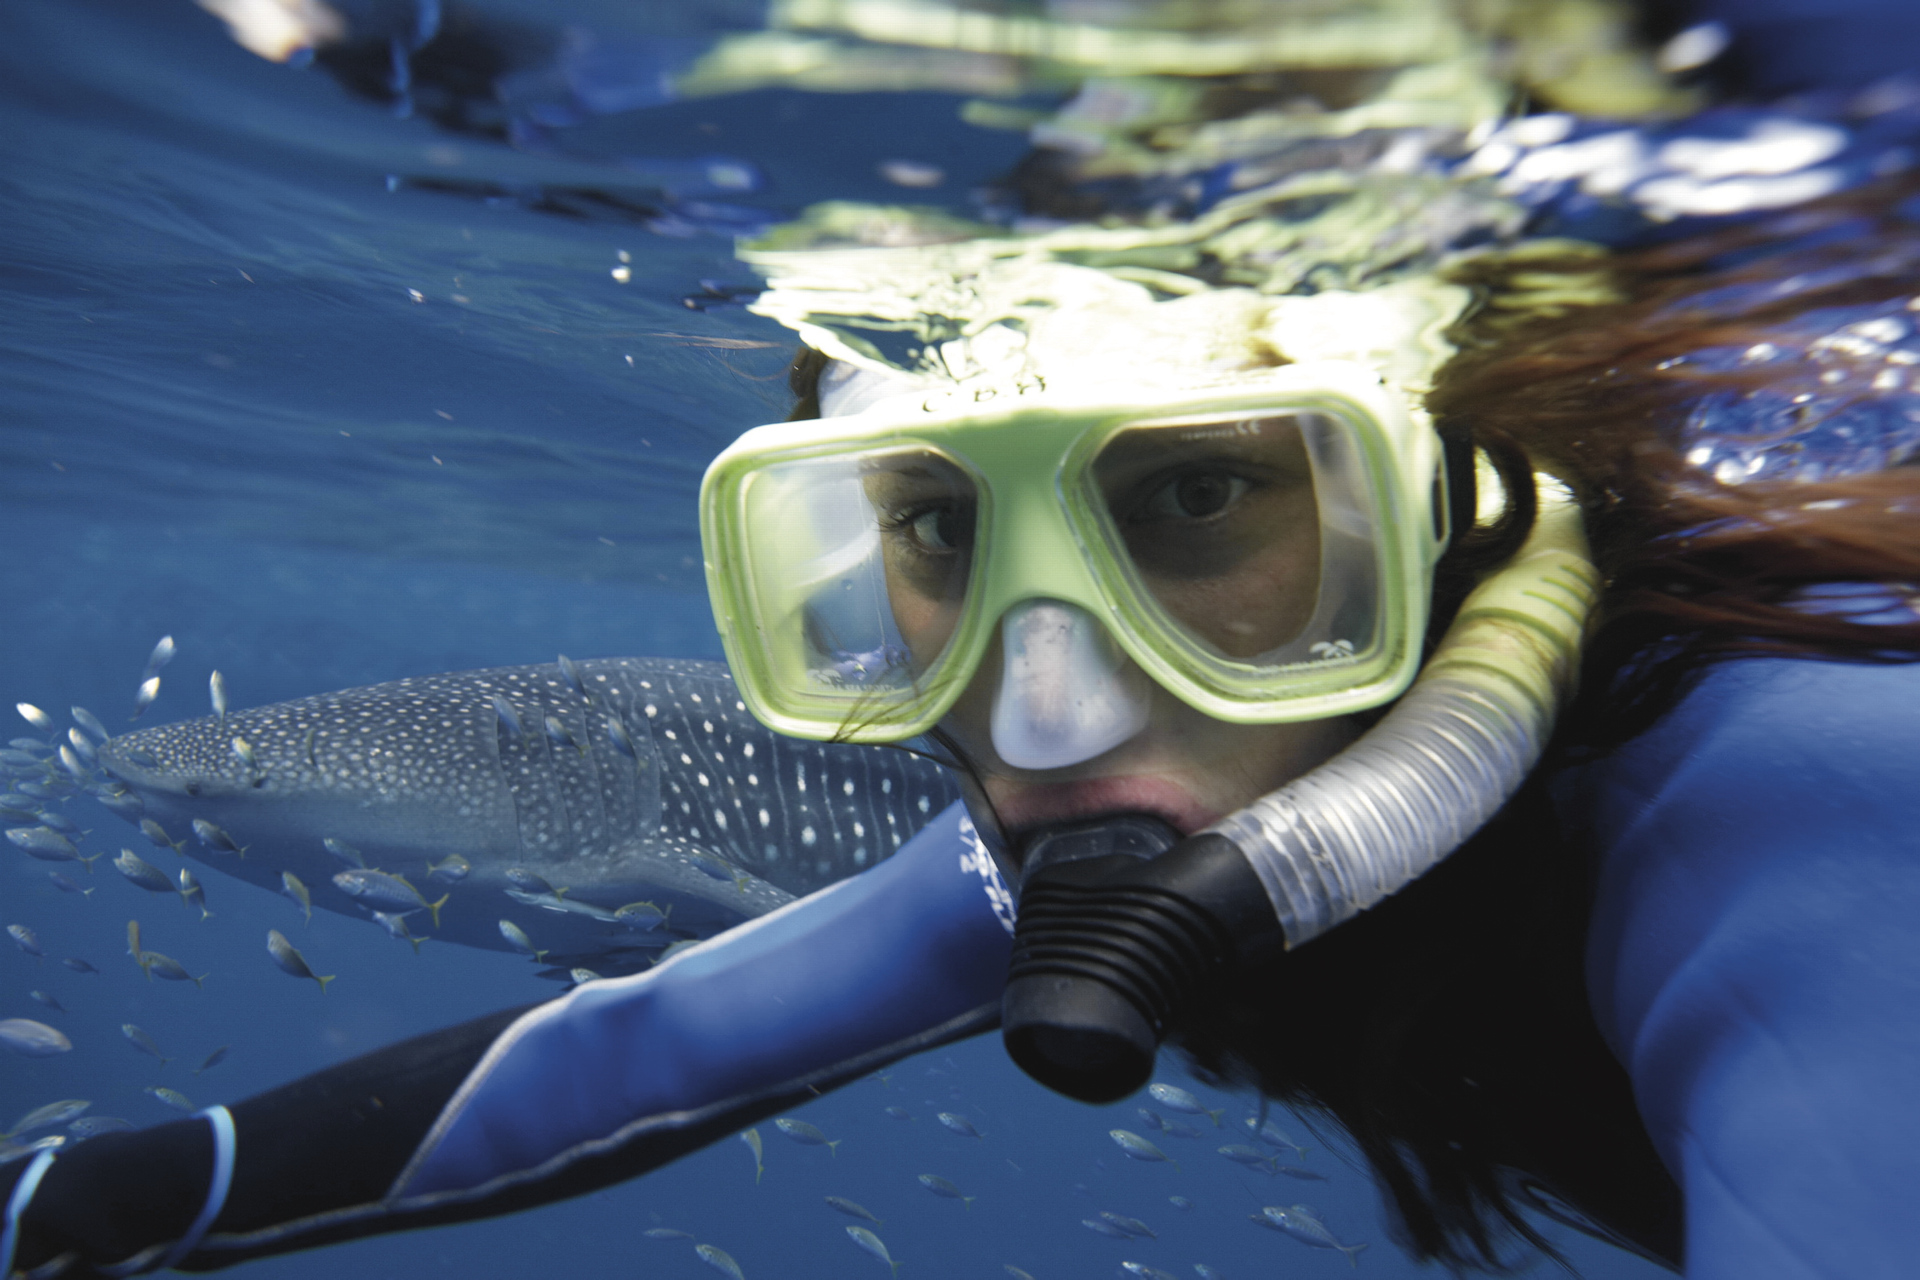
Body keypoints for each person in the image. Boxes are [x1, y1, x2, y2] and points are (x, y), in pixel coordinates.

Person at [8, 6, 1920, 1280]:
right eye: (933, 531)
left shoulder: (1823, 831)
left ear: (1440, 515)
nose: (1049, 691)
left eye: (1196, 500)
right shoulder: (1162, 820)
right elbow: (609, 1063)